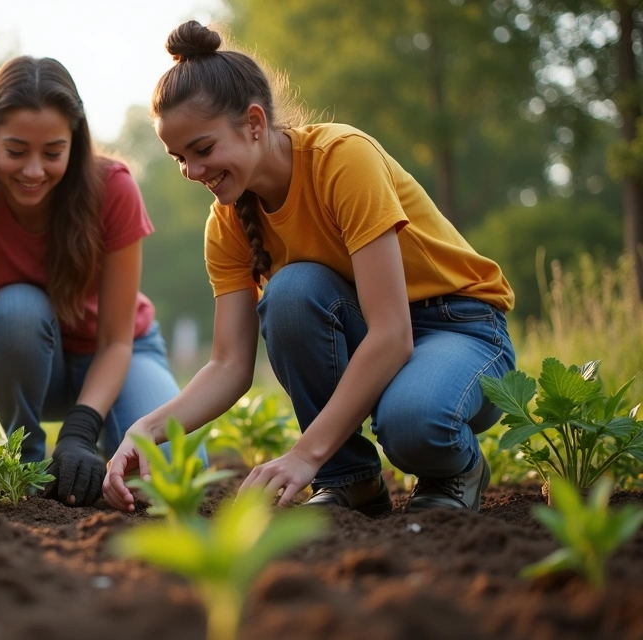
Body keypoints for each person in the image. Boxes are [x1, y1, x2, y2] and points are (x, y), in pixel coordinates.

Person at [103, 21, 516, 516]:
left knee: (413, 424)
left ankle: (456, 470)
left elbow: (391, 334)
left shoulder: (342, 160)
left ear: (254, 123)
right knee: (291, 293)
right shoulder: (227, 222)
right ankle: (350, 481)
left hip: (462, 328)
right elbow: (229, 366)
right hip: (382, 330)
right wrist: (145, 429)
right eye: (178, 158)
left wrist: (303, 455)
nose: (192, 171)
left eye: (203, 149)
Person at [0, 56, 191, 509]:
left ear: (74, 143)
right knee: (17, 309)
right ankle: (26, 462)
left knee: (168, 476)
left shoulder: (113, 189)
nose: (33, 170)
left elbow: (116, 341)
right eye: (16, 150)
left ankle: (89, 451)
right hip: (28, 365)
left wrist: (80, 433)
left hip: (117, 354)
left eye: (52, 152)